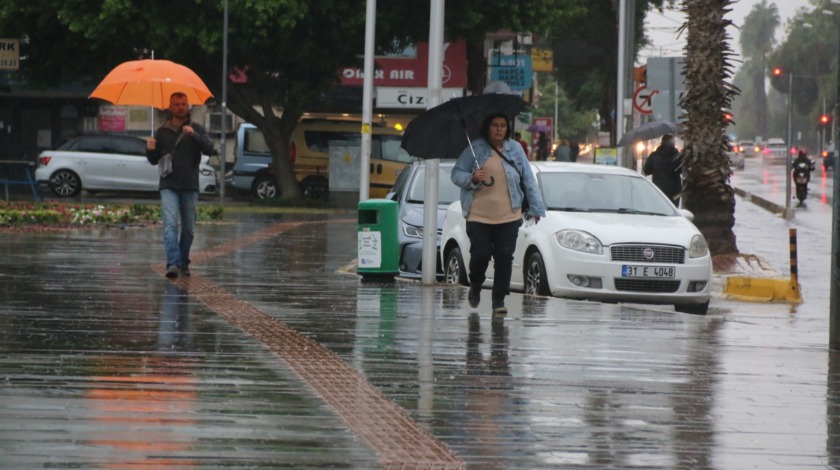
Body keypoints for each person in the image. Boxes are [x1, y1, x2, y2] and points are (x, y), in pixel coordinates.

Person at [451, 112, 546, 315]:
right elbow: (456, 173)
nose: (499, 129)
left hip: (508, 216)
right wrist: (473, 177)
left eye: (503, 125)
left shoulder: (516, 149)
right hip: (478, 215)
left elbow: (528, 179)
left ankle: (498, 300)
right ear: (488, 127)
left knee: (504, 257)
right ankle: (476, 283)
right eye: (495, 125)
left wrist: (536, 208)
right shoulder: (475, 149)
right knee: (481, 255)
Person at [146, 92, 214, 278]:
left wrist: (194, 136)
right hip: (168, 184)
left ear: (188, 106)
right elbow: (153, 160)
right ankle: (173, 264)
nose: (180, 107)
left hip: (190, 184)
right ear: (170, 107)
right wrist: (150, 149)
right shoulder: (161, 131)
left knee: (189, 228)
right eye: (176, 104)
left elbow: (209, 149)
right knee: (170, 225)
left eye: (183, 104)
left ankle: (184, 261)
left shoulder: (196, 128)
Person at [643, 134, 683, 206]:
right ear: (673, 144)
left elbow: (646, 170)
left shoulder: (654, 156)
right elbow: (682, 171)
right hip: (674, 192)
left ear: (661, 143)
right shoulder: (678, 157)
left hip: (659, 191)